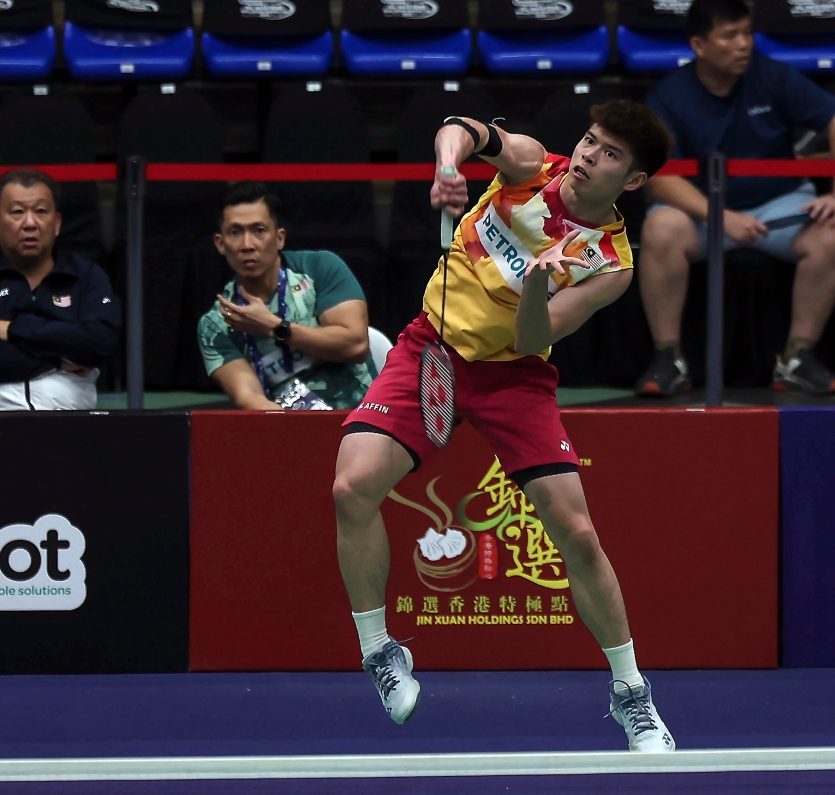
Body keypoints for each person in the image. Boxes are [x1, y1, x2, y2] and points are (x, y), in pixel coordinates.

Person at [333, 101, 678, 752]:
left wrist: (540, 291)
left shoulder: (609, 262)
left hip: (512, 378)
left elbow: (532, 338)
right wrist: (447, 167)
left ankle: (632, 693)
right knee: (352, 488)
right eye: (589, 140)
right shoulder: (529, 167)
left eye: (608, 155)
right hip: (428, 347)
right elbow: (461, 126)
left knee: (575, 529)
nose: (586, 157)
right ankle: (380, 651)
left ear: (632, 180)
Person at [636, 0, 835, 397]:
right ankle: (668, 359)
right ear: (699, 45)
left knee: (831, 234)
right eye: (730, 35)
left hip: (779, 207)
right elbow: (655, 175)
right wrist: (721, 216)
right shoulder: (670, 94)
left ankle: (797, 359)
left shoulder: (774, 76)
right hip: (705, 215)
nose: (743, 44)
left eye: (747, 33)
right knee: (660, 228)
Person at [0, 169, 121, 410]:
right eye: (17, 212)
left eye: (41, 211)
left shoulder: (87, 276)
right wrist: (58, 359)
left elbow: (100, 342)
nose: (30, 223)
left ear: (56, 223)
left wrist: (14, 329)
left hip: (69, 428)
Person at [198, 181, 375, 410]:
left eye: (259, 231)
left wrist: (274, 327)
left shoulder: (319, 268)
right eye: (235, 232)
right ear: (220, 244)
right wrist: (297, 435)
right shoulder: (215, 326)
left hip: (363, 417)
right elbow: (249, 397)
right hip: (289, 425)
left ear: (279, 238)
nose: (247, 245)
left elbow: (356, 346)